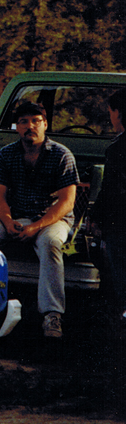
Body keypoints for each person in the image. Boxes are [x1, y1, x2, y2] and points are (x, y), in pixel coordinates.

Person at [0, 102, 80, 338]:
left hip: (53, 219)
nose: (29, 126)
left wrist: (36, 226)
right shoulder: (6, 154)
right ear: (17, 127)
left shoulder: (61, 155)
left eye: (35, 121)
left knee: (51, 244)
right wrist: (8, 221)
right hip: (17, 215)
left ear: (45, 124)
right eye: (23, 122)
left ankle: (52, 315)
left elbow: (67, 202)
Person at [91, 89, 126, 324]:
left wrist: (96, 219)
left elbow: (113, 190)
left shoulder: (117, 149)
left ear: (118, 113)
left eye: (111, 112)